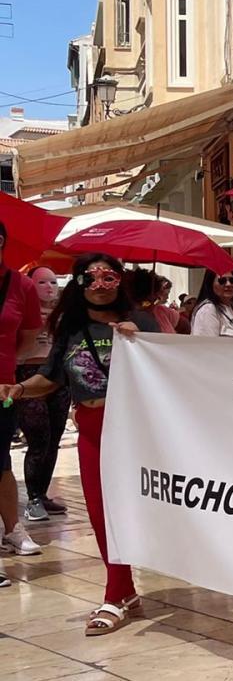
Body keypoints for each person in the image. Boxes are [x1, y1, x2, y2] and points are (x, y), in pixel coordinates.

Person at [0, 254, 161, 634]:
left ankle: (122, 591)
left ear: (120, 281)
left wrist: (144, 339)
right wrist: (19, 389)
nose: (100, 284)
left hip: (136, 428)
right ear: (79, 282)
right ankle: (120, 590)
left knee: (139, 508)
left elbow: (173, 366)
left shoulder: (142, 321)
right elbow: (51, 376)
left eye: (109, 276)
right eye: (91, 277)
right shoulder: (71, 328)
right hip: (91, 427)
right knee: (101, 512)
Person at [0, 229, 45, 563]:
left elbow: (29, 338)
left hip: (3, 388)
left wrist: (8, 370)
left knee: (2, 461)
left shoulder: (21, 285)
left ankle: (12, 528)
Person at [16, 266, 69, 524]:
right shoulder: (22, 310)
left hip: (59, 376)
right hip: (28, 373)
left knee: (55, 435)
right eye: (42, 283)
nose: (49, 287)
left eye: (53, 281)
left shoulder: (64, 314)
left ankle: (42, 492)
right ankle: (33, 497)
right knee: (39, 436)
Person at [190, 269, 233, 337]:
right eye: (222, 281)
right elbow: (207, 345)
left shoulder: (231, 306)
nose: (228, 284)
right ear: (210, 284)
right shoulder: (208, 309)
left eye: (232, 281)